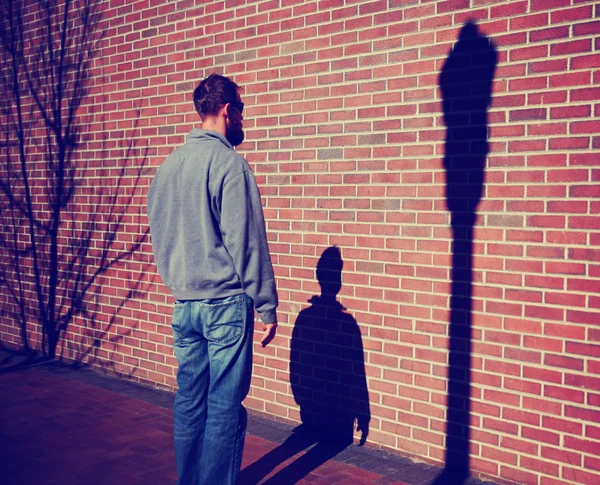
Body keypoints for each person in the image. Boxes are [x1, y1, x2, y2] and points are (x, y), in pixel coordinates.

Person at [147, 73, 278, 485]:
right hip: (224, 307)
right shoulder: (230, 166)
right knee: (223, 407)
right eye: (241, 111)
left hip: (184, 306)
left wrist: (178, 281)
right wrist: (267, 305)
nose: (243, 120)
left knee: (189, 402)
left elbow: (159, 232)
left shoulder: (168, 167)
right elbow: (248, 244)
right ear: (226, 111)